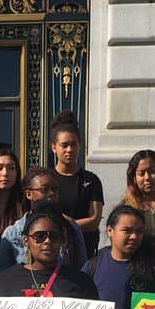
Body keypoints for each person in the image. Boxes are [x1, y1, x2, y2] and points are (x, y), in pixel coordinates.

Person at [0, 168, 87, 272]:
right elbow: (3, 277)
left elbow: (82, 270)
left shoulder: (71, 228)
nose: (51, 193)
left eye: (55, 189)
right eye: (44, 189)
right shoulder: (13, 234)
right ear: (29, 194)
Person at [49, 110, 104, 257]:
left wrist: (66, 225)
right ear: (54, 147)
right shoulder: (46, 179)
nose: (69, 150)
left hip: (84, 251)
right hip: (53, 252)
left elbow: (94, 220)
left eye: (74, 144)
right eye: (64, 145)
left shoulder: (91, 180)